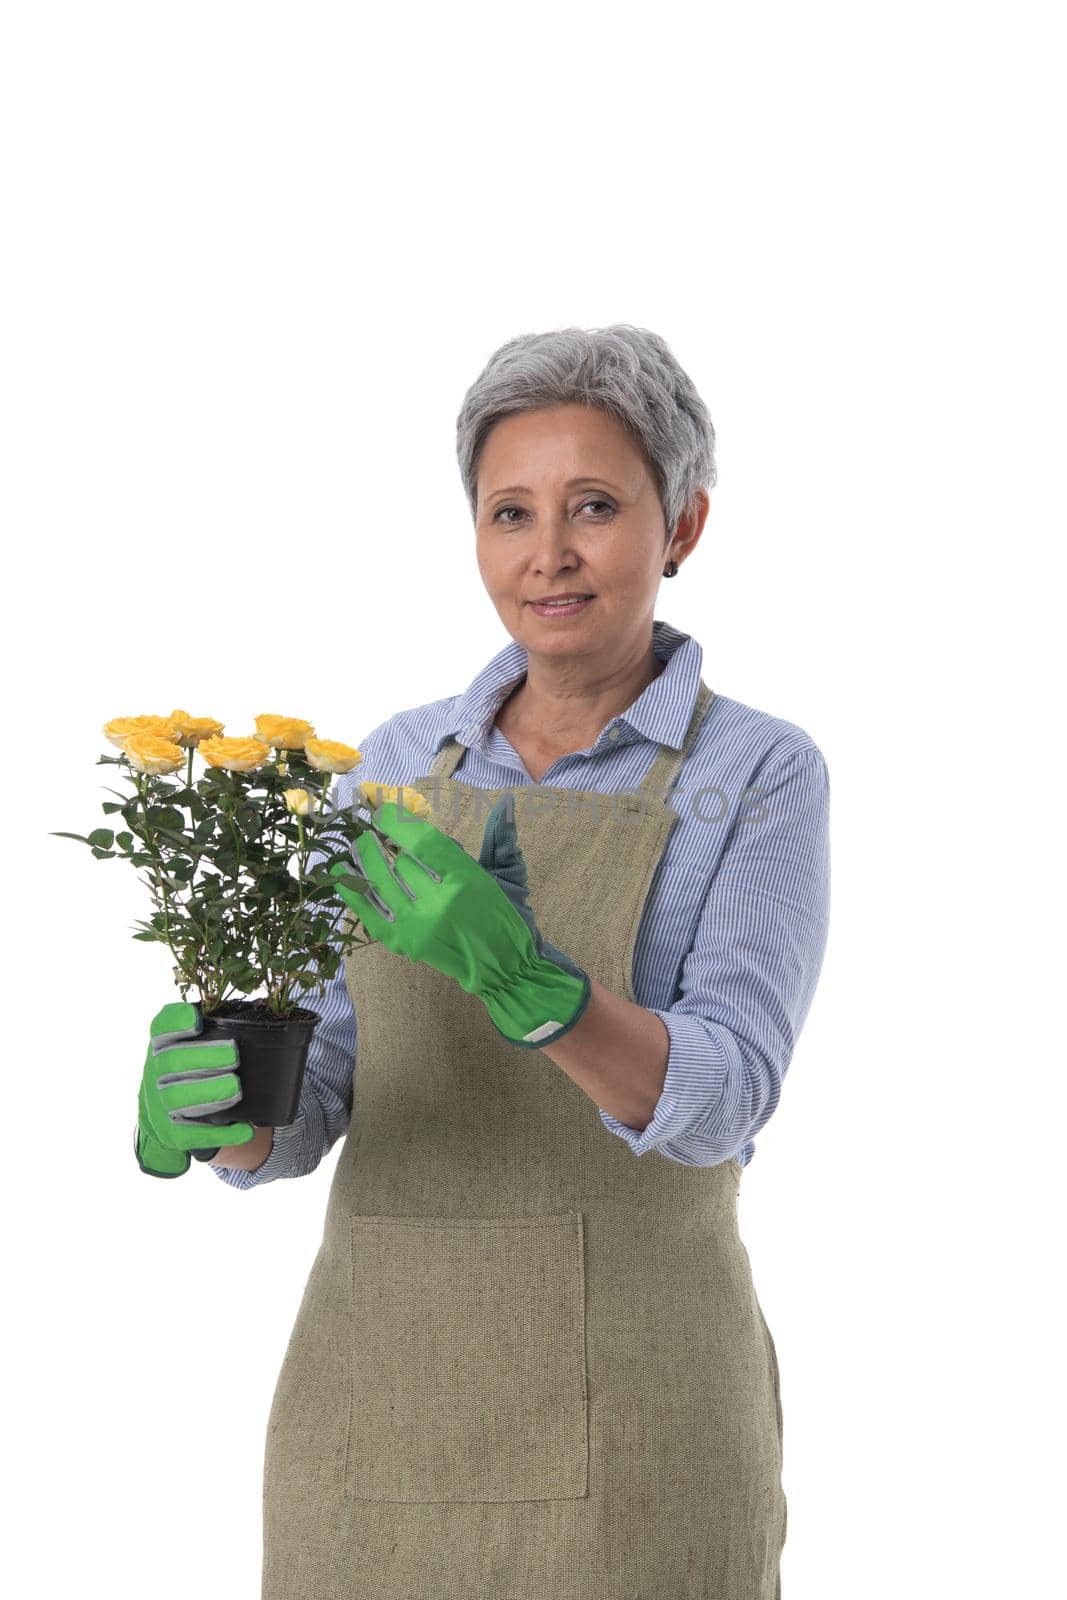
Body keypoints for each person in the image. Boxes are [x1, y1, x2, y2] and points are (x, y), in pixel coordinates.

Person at [140, 324, 831, 1597]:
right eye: (509, 510)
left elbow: (724, 1098)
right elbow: (325, 1092)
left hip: (646, 1415)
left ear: (681, 524)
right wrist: (234, 1112)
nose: (548, 552)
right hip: (376, 1409)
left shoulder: (756, 774)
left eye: (595, 507)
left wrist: (531, 982)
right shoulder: (391, 765)